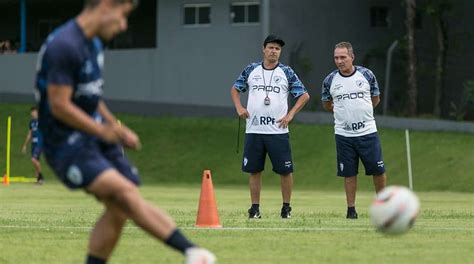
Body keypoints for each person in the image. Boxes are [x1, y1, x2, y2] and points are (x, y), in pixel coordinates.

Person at [34, 0, 216, 263]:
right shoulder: (64, 46)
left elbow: (90, 96)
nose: (124, 25)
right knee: (125, 194)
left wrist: (116, 126)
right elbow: (59, 105)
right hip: (66, 143)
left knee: (120, 209)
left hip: (95, 136)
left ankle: (191, 252)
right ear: (106, 5)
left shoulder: (93, 43)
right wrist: (101, 130)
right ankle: (192, 252)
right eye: (123, 15)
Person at [231, 35, 310, 219]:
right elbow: (235, 88)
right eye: (271, 47)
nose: (274, 51)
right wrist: (239, 107)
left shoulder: (286, 72)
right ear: (264, 49)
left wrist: (290, 115)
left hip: (278, 131)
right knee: (254, 170)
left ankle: (286, 208)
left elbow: (304, 95)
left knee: (285, 171)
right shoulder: (251, 69)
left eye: (277, 49)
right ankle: (255, 209)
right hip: (254, 130)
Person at [321, 41, 387, 219]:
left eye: (343, 57)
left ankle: (383, 207)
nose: (339, 61)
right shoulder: (329, 80)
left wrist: (361, 113)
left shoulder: (367, 75)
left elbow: (375, 99)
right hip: (344, 134)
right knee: (349, 172)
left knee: (378, 170)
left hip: (367, 132)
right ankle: (351, 210)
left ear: (352, 57)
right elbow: (327, 104)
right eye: (336, 58)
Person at [21, 106, 44, 184]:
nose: (32, 113)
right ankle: (38, 179)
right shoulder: (31, 122)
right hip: (33, 144)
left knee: (33, 159)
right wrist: (25, 145)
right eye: (32, 112)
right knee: (36, 161)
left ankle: (41, 176)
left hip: (39, 143)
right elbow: (29, 134)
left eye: (34, 112)